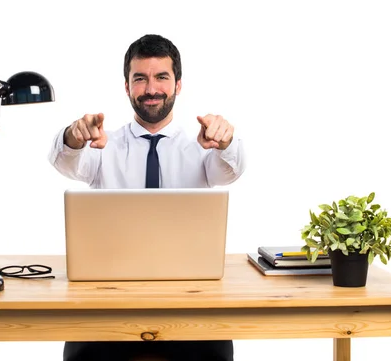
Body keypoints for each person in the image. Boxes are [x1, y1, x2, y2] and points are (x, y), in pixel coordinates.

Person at [48, 34, 246, 361]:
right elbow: (66, 162)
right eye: (140, 78)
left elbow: (231, 170)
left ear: (178, 85)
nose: (151, 89)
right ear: (126, 87)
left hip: (189, 303)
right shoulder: (102, 145)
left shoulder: (201, 145)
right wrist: (73, 136)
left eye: (161, 78)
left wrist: (226, 141)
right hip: (108, 303)